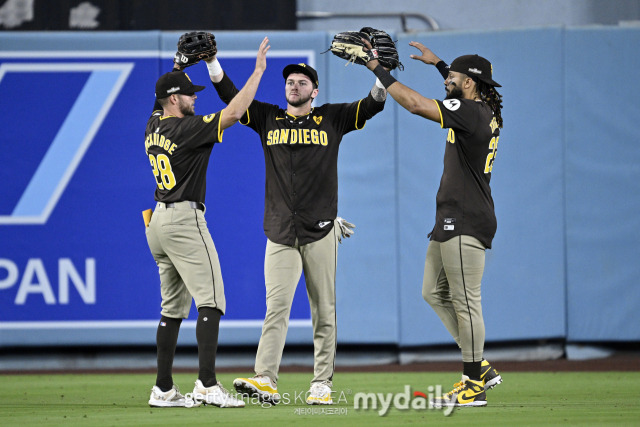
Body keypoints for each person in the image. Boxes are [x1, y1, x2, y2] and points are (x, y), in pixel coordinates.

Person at [204, 49, 387, 405]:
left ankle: (322, 383)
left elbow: (373, 104)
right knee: (277, 308)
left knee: (323, 309)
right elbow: (230, 96)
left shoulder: (332, 118)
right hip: (280, 231)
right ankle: (266, 378)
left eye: (302, 82)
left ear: (314, 91)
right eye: (290, 81)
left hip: (320, 228)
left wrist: (381, 73)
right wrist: (213, 62)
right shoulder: (267, 117)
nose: (295, 85)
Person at [364, 41, 504, 407]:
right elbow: (461, 92)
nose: (448, 82)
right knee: (433, 292)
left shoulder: (470, 112)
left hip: (465, 217)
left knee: (466, 302)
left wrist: (377, 70)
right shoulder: (482, 108)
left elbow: (413, 104)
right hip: (453, 216)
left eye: (453, 78)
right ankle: (481, 367)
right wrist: (441, 64)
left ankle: (472, 382)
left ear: (469, 84)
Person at [145, 37, 270, 408]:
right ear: (174, 100)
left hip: (158, 225)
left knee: (171, 310)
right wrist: (258, 71)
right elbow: (233, 113)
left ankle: (163, 388)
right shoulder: (186, 130)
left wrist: (178, 67)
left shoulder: (154, 125)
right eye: (188, 94)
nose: (195, 98)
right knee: (211, 302)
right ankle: (207, 384)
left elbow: (157, 100)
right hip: (184, 219)